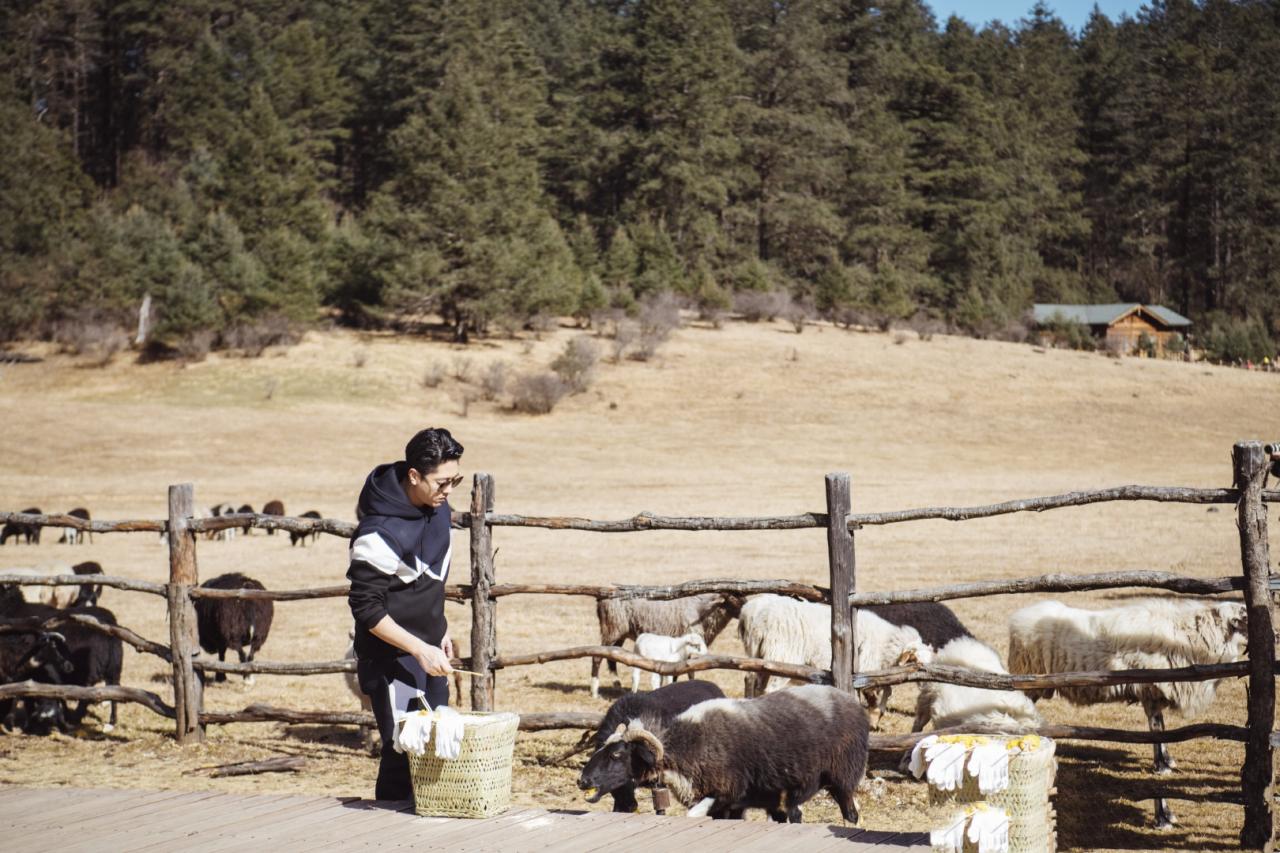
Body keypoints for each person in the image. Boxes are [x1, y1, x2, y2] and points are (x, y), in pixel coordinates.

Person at [347, 427, 464, 800]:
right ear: (414, 475)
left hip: (429, 651)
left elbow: (428, 582)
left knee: (431, 751)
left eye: (455, 480)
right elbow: (367, 608)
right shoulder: (377, 533)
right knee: (402, 752)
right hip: (391, 657)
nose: (448, 491)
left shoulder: (438, 508)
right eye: (442, 482)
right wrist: (418, 647)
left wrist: (439, 631)